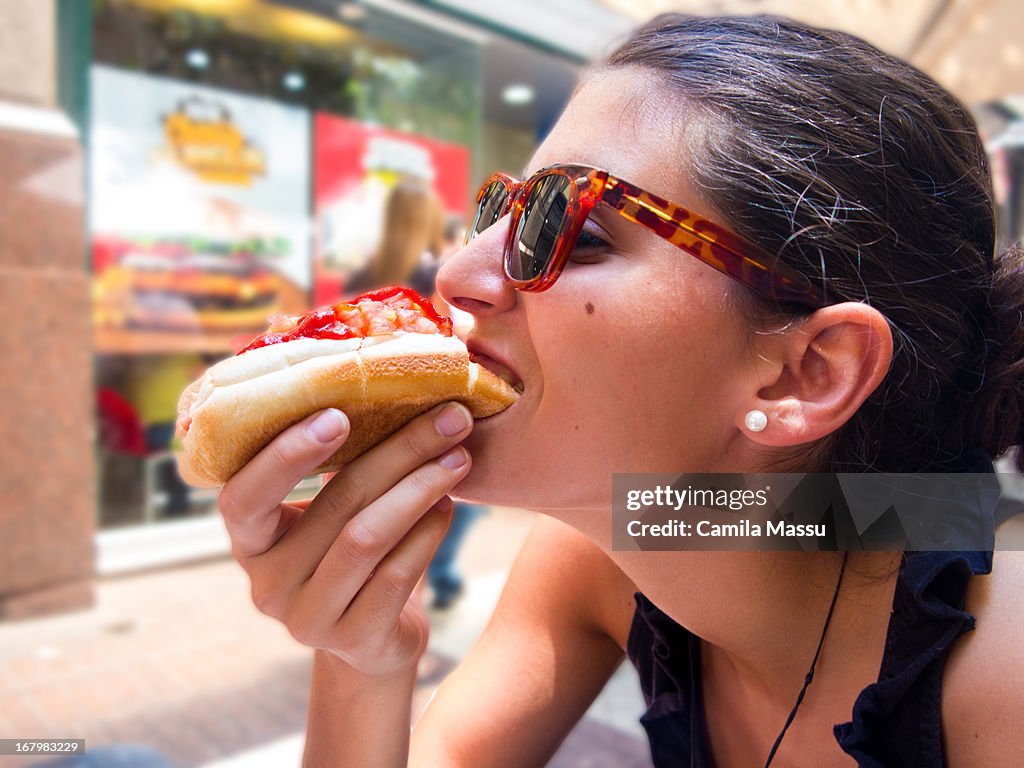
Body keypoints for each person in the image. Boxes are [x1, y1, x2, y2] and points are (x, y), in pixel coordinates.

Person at [214, 14, 1024, 767]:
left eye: (573, 229)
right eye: (499, 209)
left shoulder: (1000, 675)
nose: (457, 275)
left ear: (805, 372)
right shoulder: (618, 542)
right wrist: (362, 658)